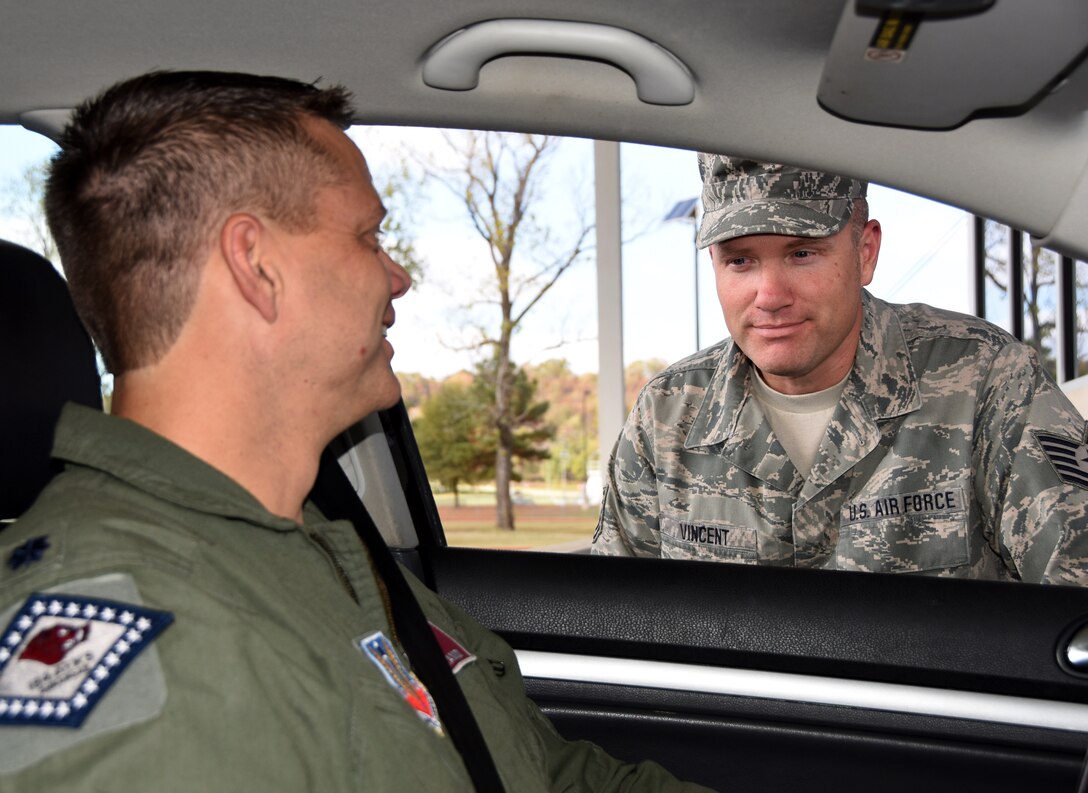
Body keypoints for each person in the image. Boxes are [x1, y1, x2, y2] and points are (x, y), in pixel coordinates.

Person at [0, 71, 714, 792]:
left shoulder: (315, 541)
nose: (397, 275)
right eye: (368, 235)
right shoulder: (140, 645)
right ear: (256, 266)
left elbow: (539, 773)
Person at [592, 154, 1088, 585]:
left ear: (865, 252)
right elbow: (613, 618)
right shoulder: (667, 416)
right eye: (740, 261)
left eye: (802, 253)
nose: (769, 296)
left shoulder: (983, 380)